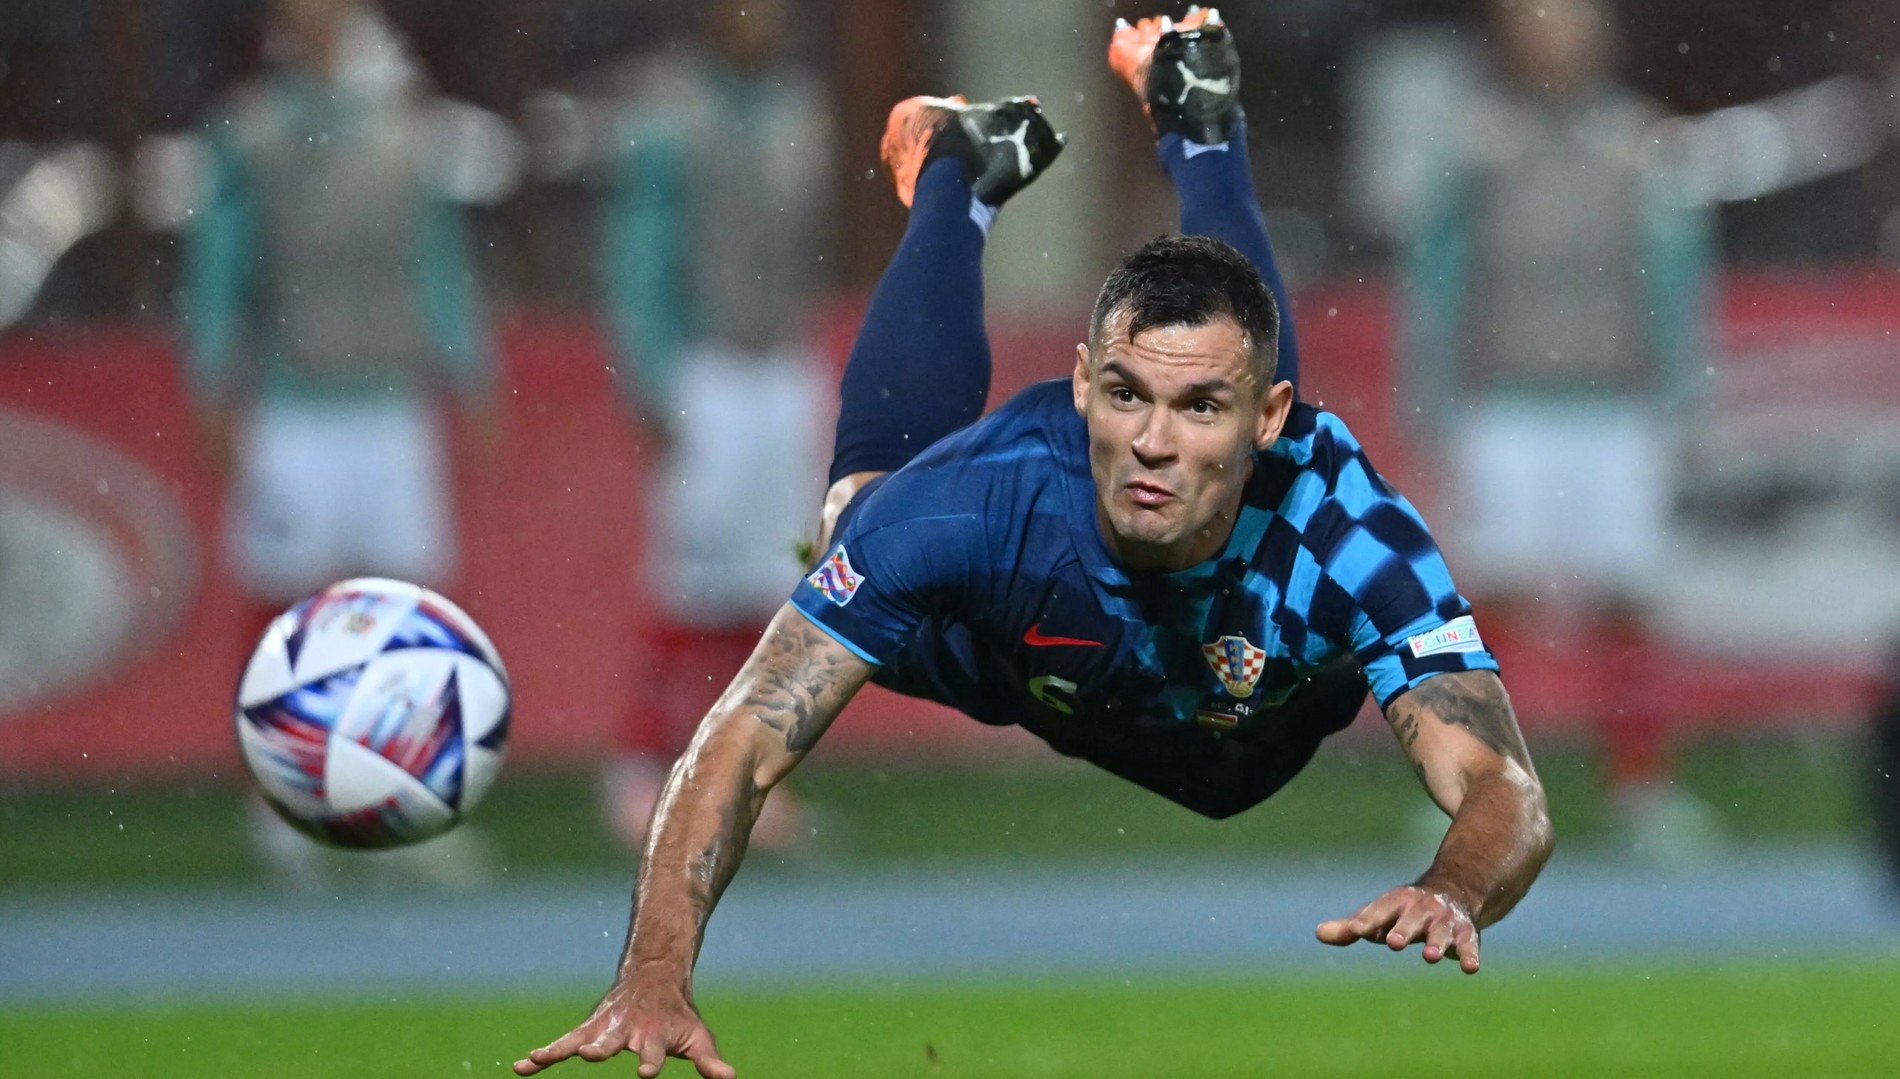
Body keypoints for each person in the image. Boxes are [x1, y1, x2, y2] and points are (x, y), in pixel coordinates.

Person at [517, 11, 1553, 1077]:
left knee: (1235, 364)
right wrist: (655, 969)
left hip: (1248, 740)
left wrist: (1453, 886)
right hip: (1009, 656)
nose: (1152, 443)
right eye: (1125, 394)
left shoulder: (1345, 530)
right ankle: (959, 175)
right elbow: (741, 735)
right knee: (852, 523)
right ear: (1081, 385)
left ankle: (1202, 134)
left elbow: (1505, 788)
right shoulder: (982, 502)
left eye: (1201, 407)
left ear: (1268, 417)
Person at [180, 0, 503, 885]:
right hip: (295, 402)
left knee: (408, 606)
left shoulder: (406, 132)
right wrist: (213, 380)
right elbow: (221, 266)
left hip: (389, 400)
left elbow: (437, 262)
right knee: (286, 607)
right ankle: (280, 800)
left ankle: (411, 798)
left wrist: (469, 371)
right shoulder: (251, 135)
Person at [1386, 0, 1713, 855]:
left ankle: (1641, 787)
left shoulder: (1641, 146)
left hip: (1616, 406)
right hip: (1509, 403)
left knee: (1628, 598)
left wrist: (1681, 396)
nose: (1557, 49)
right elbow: (1438, 278)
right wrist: (1433, 396)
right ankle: (1473, 786)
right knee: (1491, 599)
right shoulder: (1476, 147)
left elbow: (1678, 279)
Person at [595, 0, 832, 854]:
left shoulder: (799, 108)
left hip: (783, 357)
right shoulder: (670, 116)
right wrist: (649, 377)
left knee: (777, 581)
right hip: (708, 362)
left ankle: (746, 774)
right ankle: (639, 764)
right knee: (690, 575)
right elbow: (639, 255)